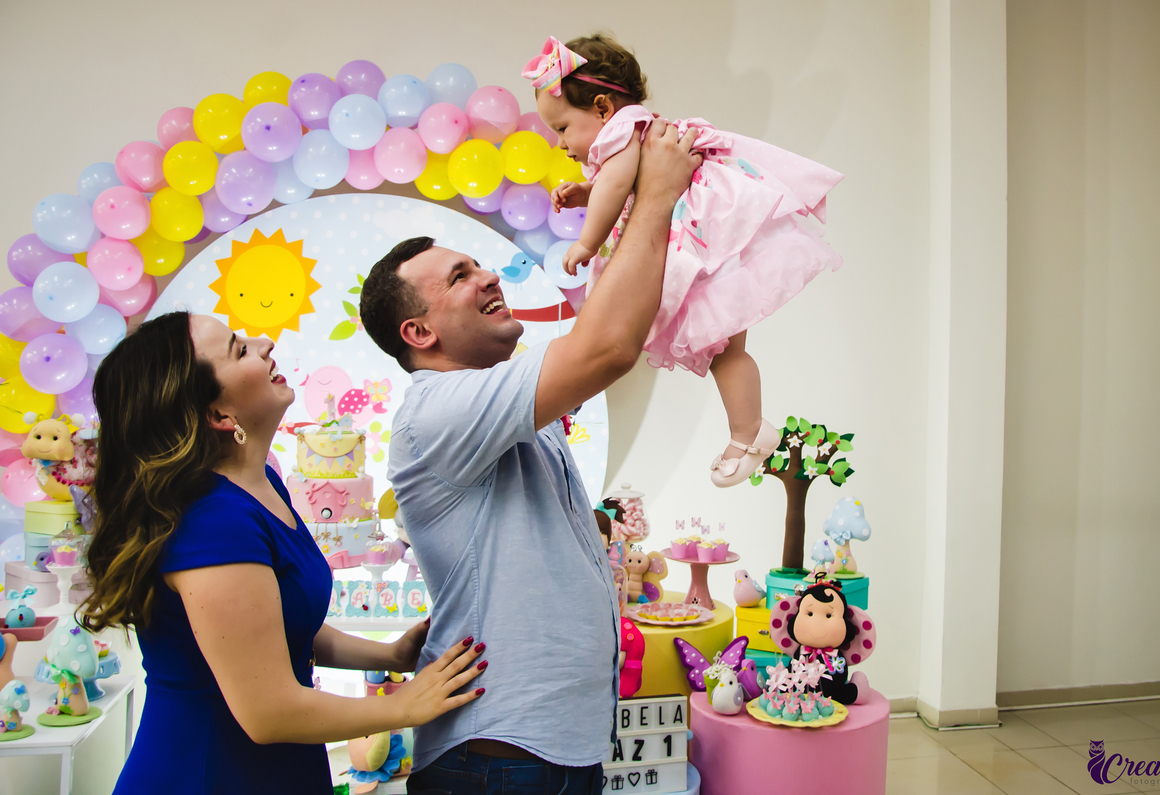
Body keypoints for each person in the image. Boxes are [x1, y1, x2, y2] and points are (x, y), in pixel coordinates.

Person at [358, 117, 701, 794]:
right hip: (499, 758)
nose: (489, 273)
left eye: (478, 263)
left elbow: (617, 322)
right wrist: (657, 195)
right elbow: (607, 347)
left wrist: (627, 208)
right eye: (461, 275)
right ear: (419, 331)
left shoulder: (503, 403)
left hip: (547, 748)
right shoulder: (438, 409)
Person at [80, 311, 487, 793]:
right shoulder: (214, 521)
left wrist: (391, 653)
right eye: (239, 348)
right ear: (218, 415)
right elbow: (268, 712)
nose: (264, 342)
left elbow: (283, 630)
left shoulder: (262, 484)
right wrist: (403, 706)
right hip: (210, 773)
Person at [524, 34, 845, 486]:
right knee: (726, 350)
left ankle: (748, 431)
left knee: (721, 349)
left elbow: (619, 186)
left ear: (601, 108)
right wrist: (586, 192)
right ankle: (748, 430)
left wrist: (586, 243)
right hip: (711, 240)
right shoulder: (634, 129)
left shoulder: (620, 131)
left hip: (696, 247)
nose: (559, 142)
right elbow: (624, 182)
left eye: (560, 128)